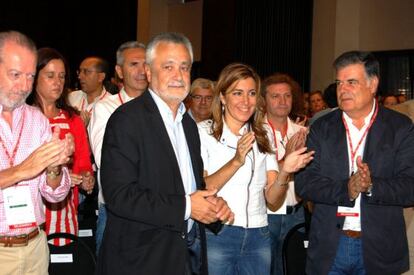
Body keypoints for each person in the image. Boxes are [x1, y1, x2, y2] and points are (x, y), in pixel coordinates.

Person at [97, 32, 234, 275]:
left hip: (184, 257)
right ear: (149, 73)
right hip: (141, 260)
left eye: (184, 67)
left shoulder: (188, 124)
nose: (178, 76)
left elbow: (189, 187)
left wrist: (211, 206)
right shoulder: (126, 120)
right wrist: (188, 207)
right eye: (168, 67)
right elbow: (119, 195)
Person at [295, 51, 414, 275]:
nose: (343, 89)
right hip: (331, 245)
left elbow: (410, 186)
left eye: (351, 82)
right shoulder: (321, 128)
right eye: (339, 83)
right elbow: (304, 183)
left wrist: (371, 186)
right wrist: (346, 189)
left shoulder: (400, 128)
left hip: (379, 248)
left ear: (373, 84)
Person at [198, 63, 314, 275]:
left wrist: (285, 171)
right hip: (219, 233)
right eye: (238, 93)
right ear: (222, 97)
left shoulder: (262, 135)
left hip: (259, 234)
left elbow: (273, 198)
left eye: (251, 93)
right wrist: (236, 161)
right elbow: (202, 188)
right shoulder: (204, 133)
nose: (246, 101)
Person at [0, 31, 73, 274]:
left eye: (30, 76)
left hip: (35, 247)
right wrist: (23, 170)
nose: (24, 86)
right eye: (15, 75)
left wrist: (54, 167)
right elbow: (27, 170)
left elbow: (53, 195)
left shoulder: (37, 119)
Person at [27, 47, 94, 246]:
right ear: (34, 77)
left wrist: (85, 179)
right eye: (50, 76)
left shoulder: (73, 120)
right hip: (28, 209)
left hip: (64, 209)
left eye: (62, 76)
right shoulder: (22, 117)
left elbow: (83, 164)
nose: (58, 82)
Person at [88, 41, 148, 254]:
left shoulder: (163, 109)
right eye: (134, 64)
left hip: (156, 210)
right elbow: (108, 161)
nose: (142, 71)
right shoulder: (106, 108)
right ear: (119, 71)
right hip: (116, 210)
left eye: (146, 64)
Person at [261, 72, 307, 275]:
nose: (282, 101)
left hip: (296, 214)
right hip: (264, 215)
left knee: (295, 268)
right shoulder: (254, 132)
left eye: (287, 96)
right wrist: (286, 159)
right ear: (264, 101)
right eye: (275, 96)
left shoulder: (303, 132)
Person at [68, 56, 110, 126]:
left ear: (101, 77)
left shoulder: (110, 104)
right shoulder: (71, 98)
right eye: (80, 71)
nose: (80, 76)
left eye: (86, 72)